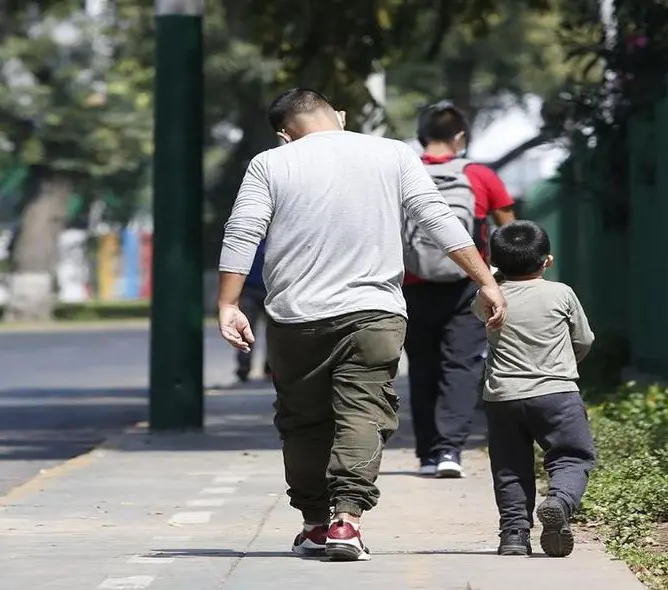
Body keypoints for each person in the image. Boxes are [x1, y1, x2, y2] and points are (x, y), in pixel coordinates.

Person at [217, 88, 507, 562]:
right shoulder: (392, 153)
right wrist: (485, 280)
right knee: (364, 412)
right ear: (342, 116)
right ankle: (346, 522)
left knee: (303, 421)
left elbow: (242, 230)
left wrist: (229, 303)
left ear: (284, 134)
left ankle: (313, 524)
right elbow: (436, 218)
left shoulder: (270, 163)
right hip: (374, 312)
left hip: (295, 316)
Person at [403, 101, 516, 478]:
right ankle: (450, 450)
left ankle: (427, 454)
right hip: (467, 286)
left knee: (422, 367)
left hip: (410, 285)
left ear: (421, 136)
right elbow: (510, 229)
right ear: (460, 137)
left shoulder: (404, 173)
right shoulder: (480, 176)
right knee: (462, 366)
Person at [472, 220, 597, 558]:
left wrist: (493, 280)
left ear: (495, 264)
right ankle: (558, 501)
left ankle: (513, 536)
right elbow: (584, 340)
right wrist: (565, 368)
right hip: (556, 393)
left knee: (510, 467)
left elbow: (481, 305)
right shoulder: (561, 293)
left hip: (502, 398)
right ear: (547, 261)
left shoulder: (487, 298)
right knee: (572, 456)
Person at [235, 241, 271, 382]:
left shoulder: (278, 233)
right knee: (245, 328)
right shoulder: (249, 235)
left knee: (274, 330)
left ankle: (271, 366)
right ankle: (244, 365)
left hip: (272, 288)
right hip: (248, 288)